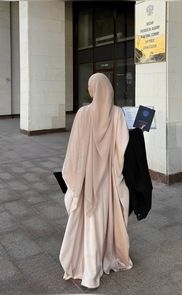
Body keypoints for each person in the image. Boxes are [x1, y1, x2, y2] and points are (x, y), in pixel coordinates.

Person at [59, 73, 133, 289]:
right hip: (108, 181)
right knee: (105, 220)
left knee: (87, 221)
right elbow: (123, 147)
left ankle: (89, 269)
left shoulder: (83, 113)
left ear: (93, 89)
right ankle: (105, 257)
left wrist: (74, 178)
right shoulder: (118, 113)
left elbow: (74, 150)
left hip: (86, 181)